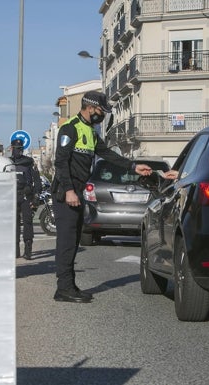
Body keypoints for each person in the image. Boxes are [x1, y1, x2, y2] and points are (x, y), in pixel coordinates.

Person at [51, 90, 153, 303]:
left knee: (74, 240)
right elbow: (60, 162)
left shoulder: (90, 131)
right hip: (66, 192)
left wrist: (134, 167)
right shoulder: (70, 128)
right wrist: (69, 190)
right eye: (101, 111)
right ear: (90, 108)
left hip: (78, 191)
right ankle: (63, 288)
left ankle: (69, 285)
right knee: (67, 242)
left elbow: (108, 154)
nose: (103, 115)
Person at [11, 138, 40, 260]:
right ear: (12, 148)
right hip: (11, 196)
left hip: (25, 196)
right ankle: (15, 250)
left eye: (20, 149)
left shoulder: (29, 162)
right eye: (16, 149)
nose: (18, 151)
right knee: (14, 224)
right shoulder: (7, 162)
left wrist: (36, 196)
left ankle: (28, 250)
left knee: (27, 222)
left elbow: (37, 180)